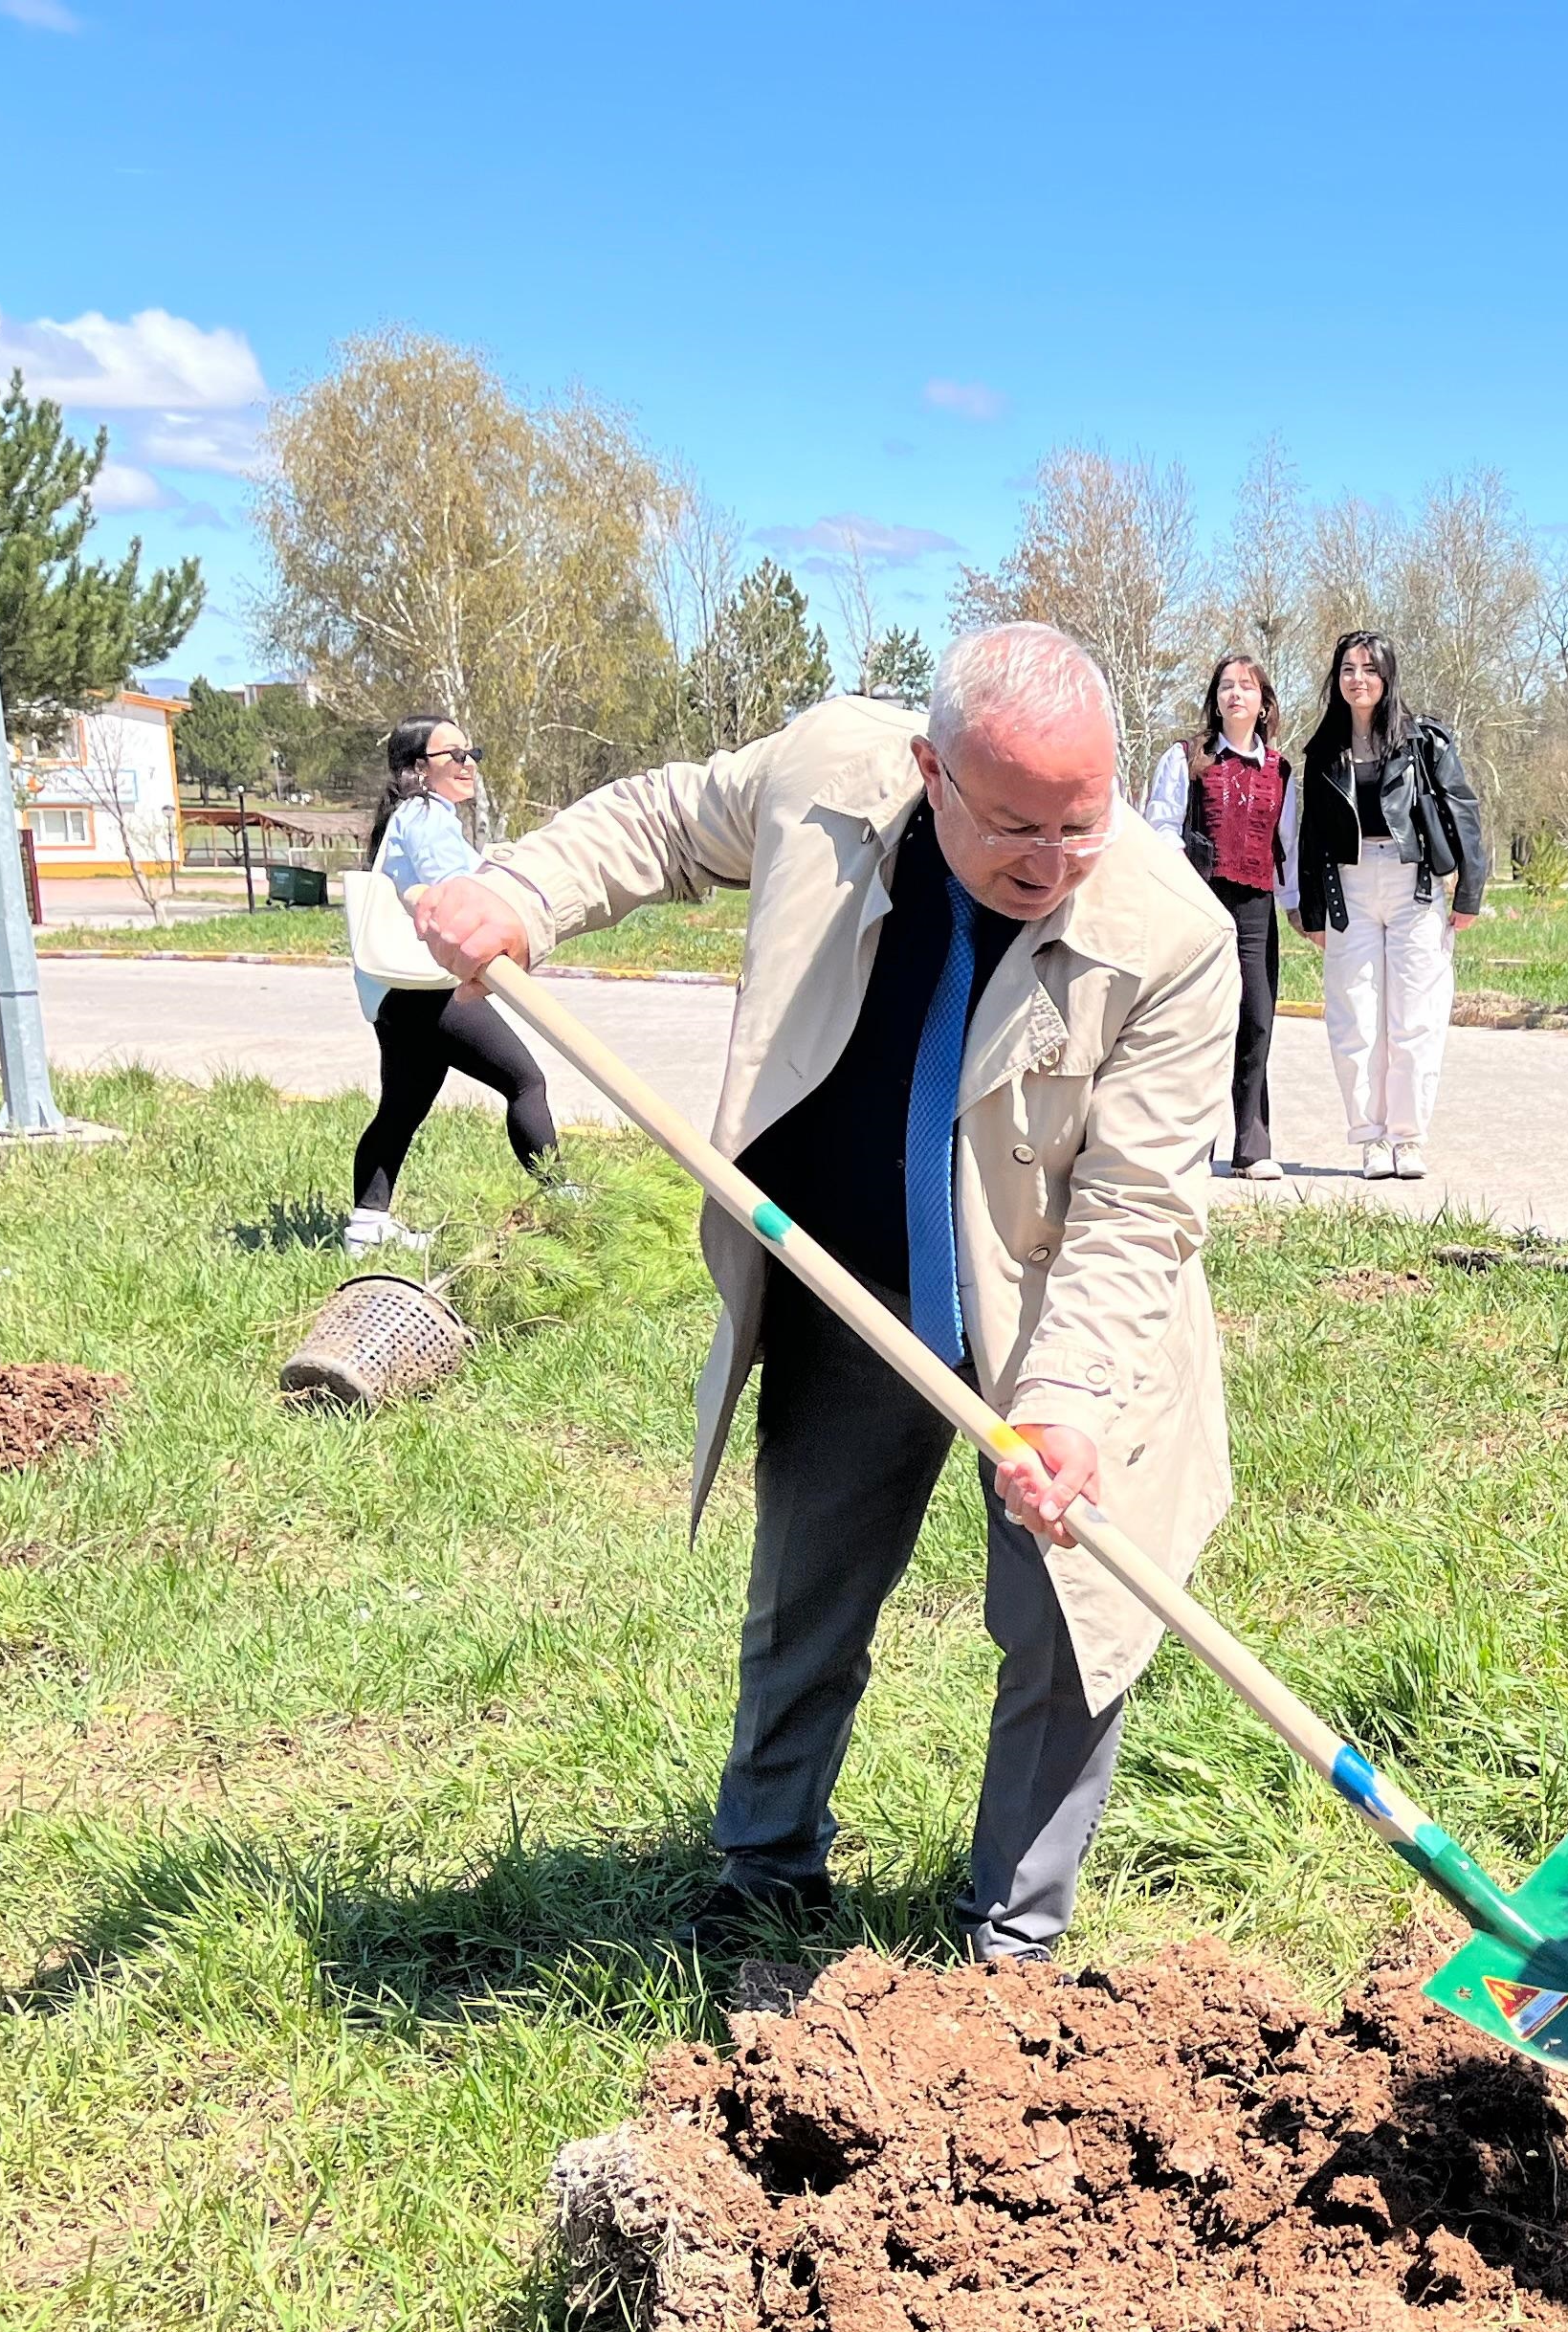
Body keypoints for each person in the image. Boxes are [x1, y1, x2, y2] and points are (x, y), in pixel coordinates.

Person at [398, 623, 1238, 1966]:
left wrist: (1070, 1402)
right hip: (850, 1276)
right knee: (808, 1584)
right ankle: (766, 1870)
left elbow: (1137, 1213)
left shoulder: (1173, 935)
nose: (1053, 863)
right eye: (1017, 826)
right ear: (931, 771)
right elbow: (668, 820)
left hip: (1056, 1309)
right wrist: (523, 891)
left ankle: (1012, 1941)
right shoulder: (826, 775)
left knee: (1075, 1627)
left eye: (1082, 826)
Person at [346, 718, 558, 1255]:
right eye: (454, 755)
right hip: (428, 989)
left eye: (472, 753)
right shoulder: (425, 814)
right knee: (525, 1083)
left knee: (402, 1106)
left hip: (393, 992)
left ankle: (366, 1228)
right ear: (418, 768)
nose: (468, 765)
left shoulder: (405, 817)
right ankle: (565, 1200)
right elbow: (457, 889)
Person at [1286, 631, 1482, 1180]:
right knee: (1355, 1018)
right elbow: (1313, 831)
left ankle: (1408, 1137)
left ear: (1388, 675)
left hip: (1412, 883)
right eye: (1348, 669)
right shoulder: (1324, 747)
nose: (1358, 679)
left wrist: (1469, 890)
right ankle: (1370, 1138)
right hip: (1347, 885)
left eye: (1369, 669)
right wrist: (1309, 908)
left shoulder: (1423, 740)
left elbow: (1462, 808)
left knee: (1416, 1016)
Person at [1141, 656, 1292, 1182]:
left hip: (1256, 908)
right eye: (1226, 686)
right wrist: (1176, 887)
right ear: (1215, 699)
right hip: (1200, 903)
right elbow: (1160, 827)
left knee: (1255, 1019)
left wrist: (1297, 909)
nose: (1235, 695)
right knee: (1200, 1020)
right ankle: (1190, 1147)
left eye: (1246, 687)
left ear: (1263, 702)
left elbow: (1286, 845)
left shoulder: (1280, 769)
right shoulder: (1187, 759)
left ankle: (1251, 1145)